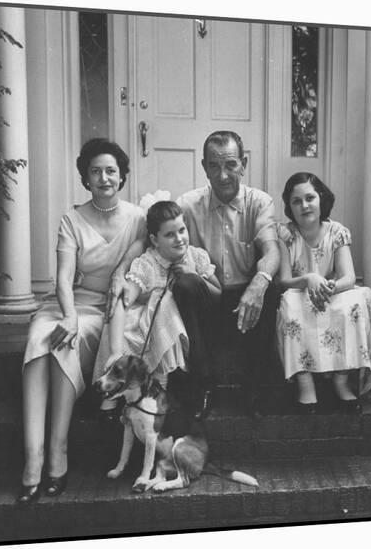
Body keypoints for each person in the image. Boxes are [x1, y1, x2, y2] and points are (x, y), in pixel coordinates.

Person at [18, 138, 146, 503]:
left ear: (121, 177)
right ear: (85, 178)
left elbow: (140, 253)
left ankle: (57, 456)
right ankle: (32, 460)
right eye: (95, 171)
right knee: (41, 336)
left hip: (110, 310)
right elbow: (62, 278)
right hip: (72, 304)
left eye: (110, 171)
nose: (103, 178)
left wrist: (121, 271)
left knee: (63, 345)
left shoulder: (137, 217)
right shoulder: (71, 219)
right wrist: (69, 314)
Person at [176, 130, 280, 417]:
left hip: (245, 302)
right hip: (207, 297)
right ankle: (201, 386)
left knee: (271, 285)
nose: (222, 175)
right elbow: (156, 239)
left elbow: (271, 250)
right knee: (183, 283)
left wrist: (259, 283)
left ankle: (257, 387)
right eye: (214, 165)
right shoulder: (187, 204)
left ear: (243, 164)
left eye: (230, 164)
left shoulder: (259, 202)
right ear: (204, 167)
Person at [93, 201, 221, 417]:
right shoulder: (149, 262)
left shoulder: (195, 256)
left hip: (194, 325)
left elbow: (218, 293)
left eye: (182, 230)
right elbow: (125, 299)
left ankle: (173, 390)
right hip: (159, 324)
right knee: (148, 312)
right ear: (154, 240)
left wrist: (194, 275)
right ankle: (118, 397)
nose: (179, 238)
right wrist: (115, 350)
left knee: (169, 301)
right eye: (170, 235)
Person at [276, 172, 371, 414]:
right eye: (296, 201)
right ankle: (305, 384)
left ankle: (341, 379)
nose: (304, 205)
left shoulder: (337, 232)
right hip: (300, 290)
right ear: (289, 206)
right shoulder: (285, 234)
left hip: (331, 291)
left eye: (310, 198)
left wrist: (326, 286)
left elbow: (348, 276)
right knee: (291, 303)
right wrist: (309, 278)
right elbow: (284, 280)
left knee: (353, 302)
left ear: (321, 199)